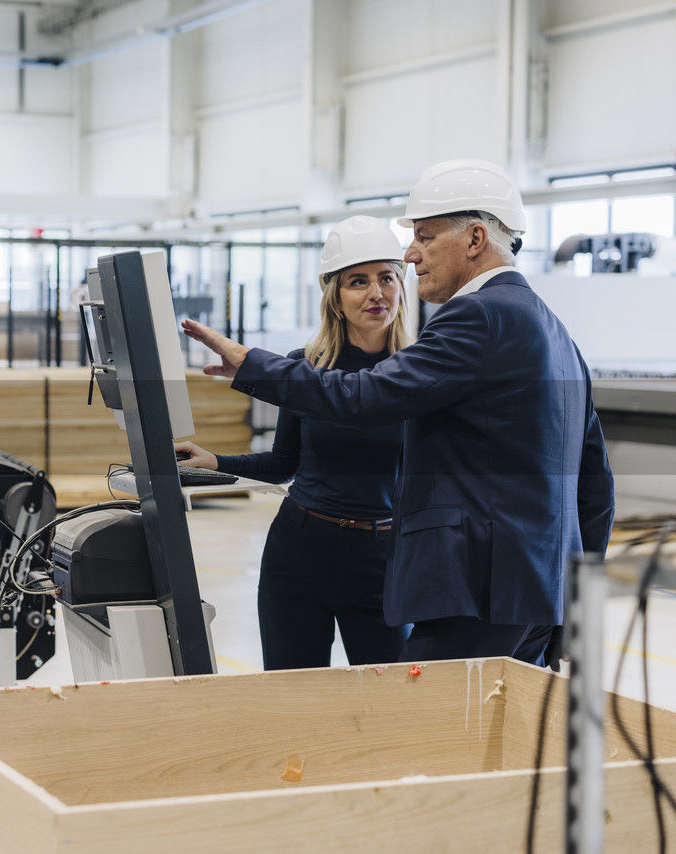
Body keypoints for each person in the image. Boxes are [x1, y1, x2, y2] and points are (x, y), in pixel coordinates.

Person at [182, 159, 615, 667]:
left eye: (425, 238)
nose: (411, 256)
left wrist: (252, 364)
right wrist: (571, 613)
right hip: (532, 600)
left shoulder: (477, 315)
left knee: (424, 734)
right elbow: (595, 488)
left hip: (478, 596)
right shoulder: (556, 332)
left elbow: (361, 399)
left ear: (475, 239)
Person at [176, 215, 412, 670]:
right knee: (291, 692)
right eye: (358, 281)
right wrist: (216, 461)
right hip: (300, 552)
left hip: (382, 560)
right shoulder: (305, 368)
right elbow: (286, 462)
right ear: (336, 299)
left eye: (386, 278)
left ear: (402, 288)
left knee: (391, 698)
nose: (376, 293)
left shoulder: (418, 374)